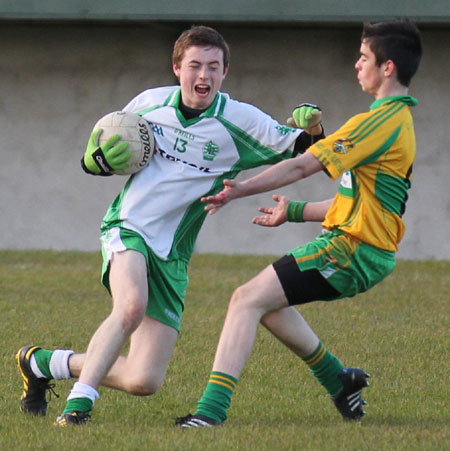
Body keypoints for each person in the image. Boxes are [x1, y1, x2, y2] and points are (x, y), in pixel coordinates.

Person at [16, 25, 325, 426]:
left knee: (143, 379)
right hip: (127, 227)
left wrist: (314, 127)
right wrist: (97, 160)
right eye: (194, 65)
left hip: (172, 254)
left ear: (225, 72)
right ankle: (77, 408)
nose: (203, 76)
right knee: (130, 307)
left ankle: (43, 363)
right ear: (177, 67)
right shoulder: (148, 102)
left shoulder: (241, 122)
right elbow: (100, 152)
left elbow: (312, 151)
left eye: (213, 67)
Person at [175, 19, 423, 428]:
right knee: (266, 307)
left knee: (244, 299)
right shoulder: (396, 122)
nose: (357, 65)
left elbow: (302, 165)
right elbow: (358, 203)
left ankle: (210, 413)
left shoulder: (378, 122)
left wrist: (239, 189)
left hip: (353, 250)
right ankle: (339, 380)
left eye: (363, 58)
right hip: (362, 247)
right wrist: (292, 211)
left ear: (388, 67)